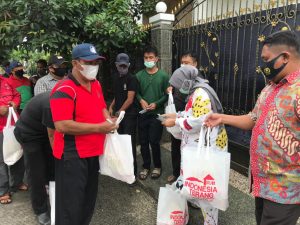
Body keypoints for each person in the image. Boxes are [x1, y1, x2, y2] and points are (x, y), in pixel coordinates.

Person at [205, 30, 300, 225]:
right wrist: (221, 118)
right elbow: (253, 118)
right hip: (262, 183)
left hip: (285, 190)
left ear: (284, 58)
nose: (262, 65)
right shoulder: (271, 87)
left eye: (266, 59)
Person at [50, 43, 118, 225]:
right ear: (75, 63)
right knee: (70, 207)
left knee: (87, 203)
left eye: (96, 62)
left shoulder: (95, 84)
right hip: (72, 155)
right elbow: (62, 125)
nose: (93, 66)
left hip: (92, 152)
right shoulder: (65, 89)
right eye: (88, 62)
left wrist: (108, 120)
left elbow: (102, 106)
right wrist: (99, 128)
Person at [163, 65, 227, 225]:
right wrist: (177, 114)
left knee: (206, 189)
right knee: (193, 183)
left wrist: (175, 121)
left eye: (179, 85)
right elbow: (193, 113)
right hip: (199, 147)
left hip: (206, 148)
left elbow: (199, 121)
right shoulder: (196, 92)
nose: (178, 90)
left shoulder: (201, 94)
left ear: (186, 82)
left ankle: (210, 222)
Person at [14, 92, 54, 225]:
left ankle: (50, 189)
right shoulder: (51, 104)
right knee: (36, 172)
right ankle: (40, 209)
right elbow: (53, 136)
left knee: (52, 164)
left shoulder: (69, 100)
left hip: (43, 130)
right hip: (28, 133)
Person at [167, 51, 204, 184]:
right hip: (177, 116)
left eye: (187, 63)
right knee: (176, 145)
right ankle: (176, 173)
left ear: (195, 64)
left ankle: (189, 180)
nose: (183, 66)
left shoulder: (200, 84)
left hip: (191, 122)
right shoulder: (181, 77)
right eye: (182, 63)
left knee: (189, 150)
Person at [135, 46, 169, 180]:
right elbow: (135, 92)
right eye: (146, 58)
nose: (148, 60)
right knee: (143, 141)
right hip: (143, 113)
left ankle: (157, 166)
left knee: (154, 141)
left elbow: (167, 95)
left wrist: (157, 103)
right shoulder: (138, 75)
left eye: (151, 57)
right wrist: (140, 99)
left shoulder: (164, 76)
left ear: (156, 59)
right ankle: (146, 166)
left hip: (157, 114)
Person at [108, 53, 138, 176]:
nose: (122, 68)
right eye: (120, 66)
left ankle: (132, 173)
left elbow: (130, 99)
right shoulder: (115, 77)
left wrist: (120, 111)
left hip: (129, 115)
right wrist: (111, 106)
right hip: (118, 115)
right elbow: (117, 95)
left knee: (129, 144)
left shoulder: (132, 79)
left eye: (125, 66)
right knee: (119, 142)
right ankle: (122, 170)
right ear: (116, 65)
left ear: (129, 65)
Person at [0, 75, 27, 204]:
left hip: (12, 125)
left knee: (17, 154)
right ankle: (3, 191)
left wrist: (15, 103)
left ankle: (17, 182)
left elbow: (17, 95)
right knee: (1, 159)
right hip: (0, 129)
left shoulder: (6, 81)